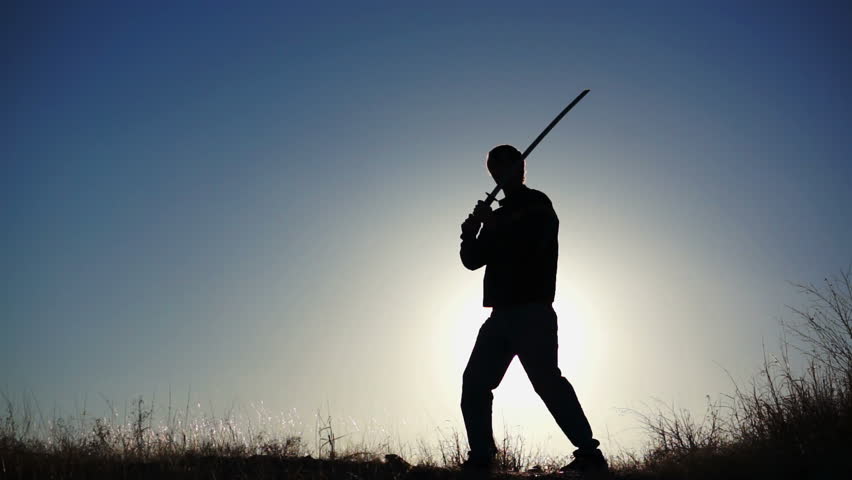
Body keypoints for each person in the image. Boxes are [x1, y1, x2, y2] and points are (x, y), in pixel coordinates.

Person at [458, 145, 607, 473]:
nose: (497, 175)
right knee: (475, 383)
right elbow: (472, 260)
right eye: (492, 170)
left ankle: (589, 453)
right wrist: (470, 234)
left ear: (519, 168)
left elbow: (527, 246)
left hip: (532, 311)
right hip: (500, 315)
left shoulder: (537, 204)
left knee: (547, 381)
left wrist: (490, 226)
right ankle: (482, 458)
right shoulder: (495, 216)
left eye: (502, 168)